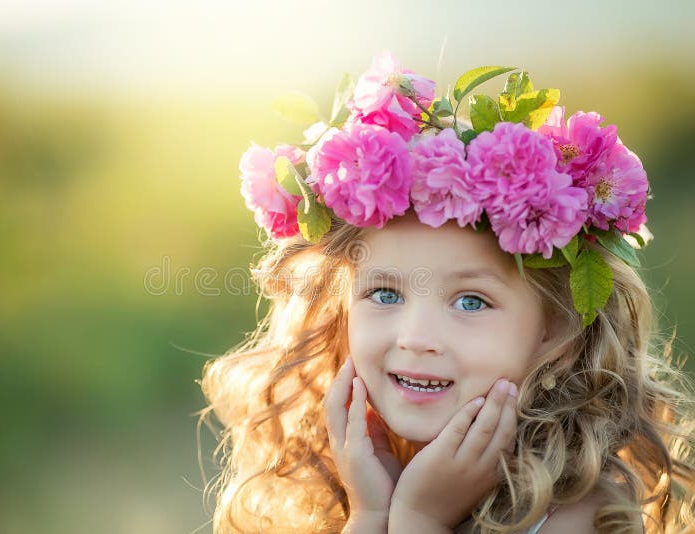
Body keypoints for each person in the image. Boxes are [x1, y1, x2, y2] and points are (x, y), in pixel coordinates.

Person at [199, 51, 695, 533]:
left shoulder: (577, 515)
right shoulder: (352, 482)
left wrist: (420, 521)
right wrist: (369, 517)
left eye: (470, 302)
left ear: (555, 330)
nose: (416, 338)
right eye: (386, 295)